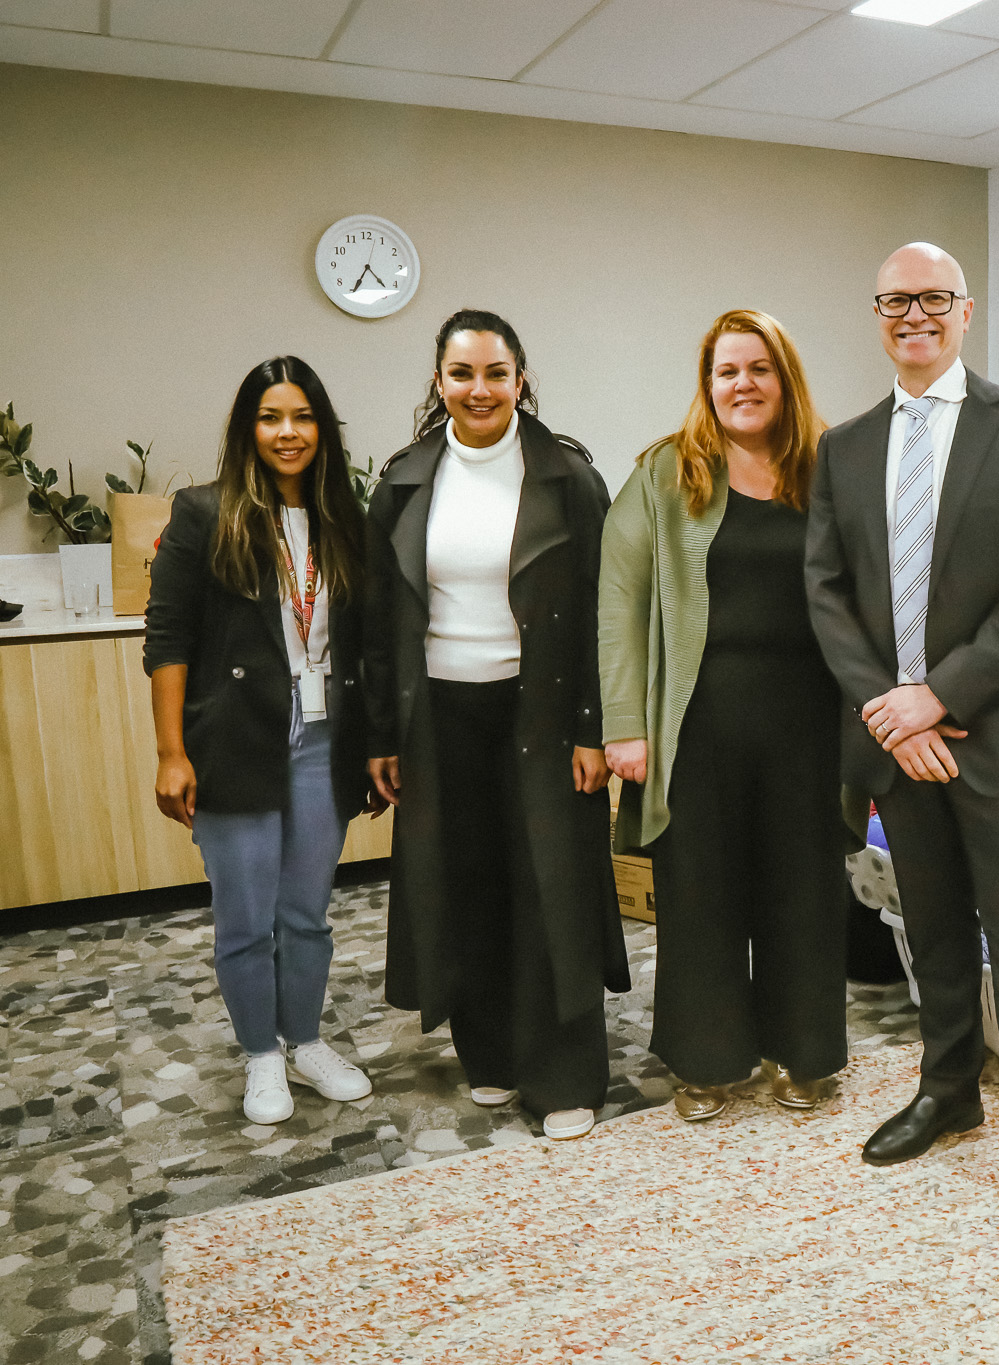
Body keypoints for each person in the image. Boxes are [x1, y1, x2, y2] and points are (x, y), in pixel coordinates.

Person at [805, 243, 999, 1246]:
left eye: (932, 298)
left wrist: (938, 696)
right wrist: (890, 708)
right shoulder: (842, 448)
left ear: (964, 311)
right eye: (894, 301)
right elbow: (826, 593)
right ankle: (945, 1091)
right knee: (926, 931)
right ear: (877, 315)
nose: (912, 315)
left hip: (998, 732)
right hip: (899, 740)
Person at [362, 308, 629, 1142]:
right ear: (438, 381)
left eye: (495, 373)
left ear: (520, 379)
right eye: (462, 373)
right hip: (441, 716)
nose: (479, 390)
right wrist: (382, 734)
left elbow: (603, 612)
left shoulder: (568, 479)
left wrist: (596, 727)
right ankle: (491, 1055)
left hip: (544, 714)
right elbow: (379, 619)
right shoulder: (406, 479)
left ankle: (564, 1073)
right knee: (464, 883)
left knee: (551, 890)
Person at [600, 309, 847, 1121]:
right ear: (707, 385)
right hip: (695, 723)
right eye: (726, 371)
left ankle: (802, 1055)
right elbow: (621, 599)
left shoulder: (830, 469)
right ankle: (707, 1062)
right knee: (700, 895)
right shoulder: (667, 473)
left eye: (759, 368)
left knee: (803, 893)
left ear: (785, 379)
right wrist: (623, 724)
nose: (743, 384)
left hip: (808, 725)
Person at [145, 356, 378, 1125]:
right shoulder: (203, 512)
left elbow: (367, 641)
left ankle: (305, 1041)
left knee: (306, 911)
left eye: (303, 417)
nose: (288, 432)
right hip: (237, 740)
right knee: (245, 915)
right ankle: (261, 1056)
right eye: (272, 417)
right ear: (250, 428)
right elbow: (168, 639)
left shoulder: (345, 517)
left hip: (322, 740)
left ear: (322, 429)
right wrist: (170, 751)